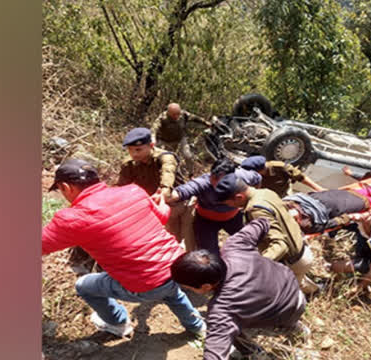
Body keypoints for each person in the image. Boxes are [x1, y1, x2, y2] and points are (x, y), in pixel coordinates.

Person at [152, 218, 308, 360]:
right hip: (294, 290)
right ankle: (295, 327)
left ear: (206, 286)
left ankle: (255, 350)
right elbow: (262, 223)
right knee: (249, 319)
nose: (186, 290)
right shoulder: (234, 247)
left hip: (284, 313)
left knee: (233, 332)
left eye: (188, 287)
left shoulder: (223, 311)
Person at [42, 159, 205, 338]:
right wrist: (163, 205)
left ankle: (117, 323)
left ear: (65, 187)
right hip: (177, 268)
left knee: (84, 286)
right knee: (172, 292)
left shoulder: (72, 218)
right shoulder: (133, 191)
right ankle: (197, 327)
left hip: (145, 283)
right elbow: (162, 218)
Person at [214, 174, 319, 294]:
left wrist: (256, 266)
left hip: (294, 260)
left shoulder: (256, 210)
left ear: (238, 197)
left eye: (229, 203)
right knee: (298, 280)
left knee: (286, 291)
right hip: (301, 248)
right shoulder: (265, 192)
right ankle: (314, 289)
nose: (230, 207)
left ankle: (312, 293)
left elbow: (280, 245)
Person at [167, 158, 261, 255]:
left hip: (233, 218)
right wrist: (166, 197)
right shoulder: (204, 182)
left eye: (218, 179)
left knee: (248, 243)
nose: (213, 181)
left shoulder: (242, 177)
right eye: (213, 177)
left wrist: (249, 200)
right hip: (206, 221)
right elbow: (184, 190)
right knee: (209, 254)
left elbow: (257, 178)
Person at [117, 127, 188, 243]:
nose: (133, 154)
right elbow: (121, 189)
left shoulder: (165, 158)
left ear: (151, 145)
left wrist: (161, 196)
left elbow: (166, 184)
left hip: (177, 202)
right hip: (152, 203)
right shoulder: (129, 164)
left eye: (138, 150)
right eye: (130, 150)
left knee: (179, 238)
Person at [282, 171, 371, 235]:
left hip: (338, 203)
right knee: (364, 193)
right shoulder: (286, 204)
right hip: (329, 197)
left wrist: (349, 217)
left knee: (370, 201)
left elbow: (330, 224)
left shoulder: (305, 224)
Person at [151, 103, 211, 175]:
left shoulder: (183, 114)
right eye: (174, 114)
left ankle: (190, 173)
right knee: (167, 157)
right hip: (166, 141)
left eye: (178, 114)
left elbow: (195, 118)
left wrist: (206, 123)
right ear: (169, 113)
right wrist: (153, 139)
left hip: (181, 137)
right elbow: (154, 129)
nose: (177, 116)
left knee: (188, 155)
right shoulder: (163, 118)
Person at [241, 155, 325, 197]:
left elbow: (301, 177)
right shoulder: (248, 174)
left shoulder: (280, 167)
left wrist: (319, 189)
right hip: (263, 195)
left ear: (261, 170)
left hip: (283, 193)